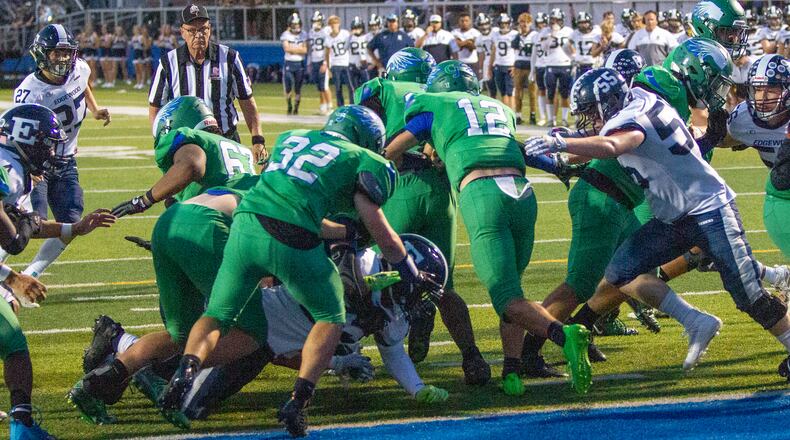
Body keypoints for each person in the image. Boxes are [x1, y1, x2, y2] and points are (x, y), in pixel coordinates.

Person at [158, 105, 430, 438]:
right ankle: (298, 402)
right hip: (293, 235)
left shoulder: (292, 138)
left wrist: (344, 234)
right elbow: (377, 225)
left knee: (219, 313)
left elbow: (289, 194)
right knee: (330, 314)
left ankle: (188, 367)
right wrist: (407, 268)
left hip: (245, 225)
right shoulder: (366, 159)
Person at [524, 65, 790, 381]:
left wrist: (563, 144)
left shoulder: (629, 123)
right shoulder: (642, 99)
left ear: (608, 103)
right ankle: (695, 321)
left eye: (591, 112)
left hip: (711, 211)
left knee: (749, 295)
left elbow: (612, 146)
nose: (589, 119)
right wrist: (571, 140)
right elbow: (606, 137)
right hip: (674, 217)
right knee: (621, 270)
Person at [385, 60, 593, 397]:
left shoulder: (433, 107)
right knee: (513, 288)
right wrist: (560, 168)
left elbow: (391, 151)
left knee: (506, 296)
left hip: (485, 195)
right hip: (523, 195)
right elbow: (517, 149)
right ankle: (512, 370)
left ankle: (563, 335)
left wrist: (417, 160)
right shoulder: (497, 107)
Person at [355, 47, 491, 384]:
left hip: (398, 185)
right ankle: (472, 357)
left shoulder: (382, 87)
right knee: (444, 281)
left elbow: (361, 126)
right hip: (440, 192)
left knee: (369, 270)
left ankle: (348, 350)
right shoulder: (441, 95)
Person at [0, 103, 116, 439]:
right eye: (47, 143)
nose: (52, 151)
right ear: (27, 137)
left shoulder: (14, 165)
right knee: (13, 343)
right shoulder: (8, 166)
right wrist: (10, 277)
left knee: (11, 338)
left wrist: (73, 228)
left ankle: (22, 424)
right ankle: (22, 428)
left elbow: (23, 226)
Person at [12, 24, 111, 288]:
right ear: (42, 54)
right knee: (31, 223)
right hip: (37, 163)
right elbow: (19, 136)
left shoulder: (80, 68)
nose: (63, 58)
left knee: (71, 220)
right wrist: (30, 169)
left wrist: (95, 108)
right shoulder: (29, 93)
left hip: (66, 159)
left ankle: (32, 273)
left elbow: (83, 86)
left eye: (67, 52)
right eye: (57, 53)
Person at [148, 3, 266, 163]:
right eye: (192, 30)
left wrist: (257, 139)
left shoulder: (229, 58)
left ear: (210, 29)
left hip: (225, 142)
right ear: (182, 32)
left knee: (229, 188)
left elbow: (247, 102)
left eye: (203, 29)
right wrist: (161, 141)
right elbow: (156, 107)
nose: (199, 35)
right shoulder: (168, 63)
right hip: (186, 146)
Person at [107, 96, 256, 221]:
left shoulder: (191, 137)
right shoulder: (241, 149)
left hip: (221, 217)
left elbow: (192, 164)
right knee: (173, 203)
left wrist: (144, 201)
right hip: (258, 216)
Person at [727, 54, 790, 264]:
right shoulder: (742, 119)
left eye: (771, 89)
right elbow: (721, 139)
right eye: (758, 89)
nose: (762, 97)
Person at [539, 8, 573, 127]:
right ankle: (551, 119)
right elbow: (543, 48)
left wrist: (574, 60)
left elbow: (572, 48)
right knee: (550, 93)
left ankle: (564, 119)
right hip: (551, 64)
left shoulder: (569, 31)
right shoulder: (545, 32)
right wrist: (551, 35)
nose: (555, 22)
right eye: (553, 20)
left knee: (564, 94)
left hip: (565, 64)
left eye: (557, 20)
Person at [489, 13, 518, 108]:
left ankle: (512, 114)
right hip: (498, 65)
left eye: (506, 23)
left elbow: (517, 52)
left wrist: (515, 66)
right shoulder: (495, 34)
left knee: (511, 92)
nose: (504, 25)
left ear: (510, 23)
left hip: (509, 65)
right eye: (502, 23)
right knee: (503, 92)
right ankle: (506, 115)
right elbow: (493, 51)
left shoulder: (514, 34)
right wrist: (490, 67)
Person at [281, 13, 308, 115]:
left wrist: (293, 50)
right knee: (288, 87)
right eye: (294, 24)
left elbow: (305, 50)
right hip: (289, 63)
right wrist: (298, 49)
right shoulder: (285, 34)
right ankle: (289, 105)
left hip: (299, 63)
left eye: (297, 24)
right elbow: (286, 48)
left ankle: (296, 108)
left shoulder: (304, 34)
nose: (296, 26)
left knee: (298, 88)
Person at [513, 13, 537, 125]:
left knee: (532, 93)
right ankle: (518, 115)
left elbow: (531, 51)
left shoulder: (534, 35)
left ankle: (533, 115)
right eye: (522, 22)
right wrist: (520, 34)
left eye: (526, 22)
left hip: (530, 65)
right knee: (518, 92)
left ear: (530, 23)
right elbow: (514, 45)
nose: (524, 24)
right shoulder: (517, 35)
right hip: (518, 66)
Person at [324, 15, 353, 107]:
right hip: (335, 65)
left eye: (335, 23)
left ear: (339, 24)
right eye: (331, 24)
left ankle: (353, 106)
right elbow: (327, 54)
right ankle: (340, 107)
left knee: (351, 87)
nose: (333, 26)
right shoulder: (328, 38)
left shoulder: (345, 33)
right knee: (338, 88)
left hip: (346, 63)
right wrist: (328, 68)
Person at [308, 11, 332, 116]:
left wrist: (325, 62)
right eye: (314, 21)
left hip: (322, 61)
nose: (315, 23)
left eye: (317, 21)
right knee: (319, 86)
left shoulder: (326, 32)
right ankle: (323, 107)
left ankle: (330, 107)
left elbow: (328, 49)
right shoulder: (311, 32)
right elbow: (310, 48)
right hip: (314, 61)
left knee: (325, 86)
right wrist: (309, 62)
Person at [570, 11, 600, 80]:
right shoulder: (575, 33)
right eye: (581, 23)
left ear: (590, 22)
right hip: (580, 65)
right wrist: (573, 54)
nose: (583, 25)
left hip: (593, 64)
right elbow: (568, 44)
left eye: (585, 22)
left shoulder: (597, 32)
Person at [531, 13, 549, 124]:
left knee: (552, 93)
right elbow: (533, 55)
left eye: (543, 23)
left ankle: (552, 117)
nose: (541, 25)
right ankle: (543, 117)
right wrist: (532, 70)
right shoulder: (535, 36)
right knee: (541, 91)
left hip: (549, 65)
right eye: (539, 23)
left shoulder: (551, 34)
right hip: (539, 66)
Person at [474, 13, 495, 97]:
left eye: (486, 24)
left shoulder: (496, 32)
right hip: (487, 61)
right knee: (490, 87)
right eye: (481, 24)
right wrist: (480, 69)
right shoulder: (479, 38)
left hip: (500, 61)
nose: (484, 27)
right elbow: (481, 55)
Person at [349, 16, 371, 89]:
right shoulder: (350, 38)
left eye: (359, 27)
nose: (357, 30)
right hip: (353, 64)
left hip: (364, 64)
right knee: (355, 89)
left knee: (367, 88)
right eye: (355, 28)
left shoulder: (367, 37)